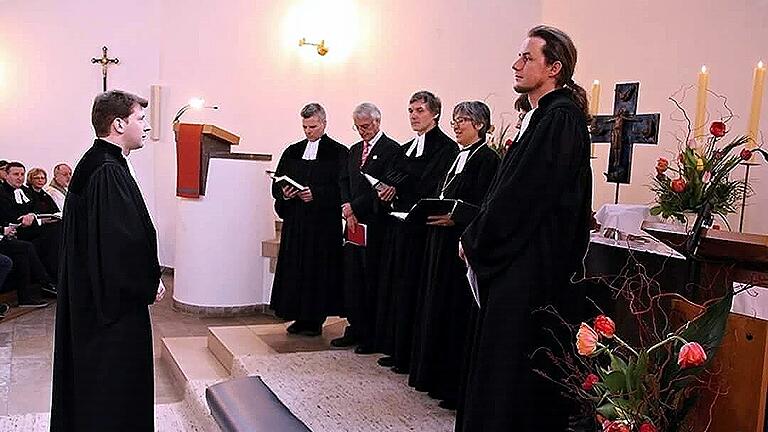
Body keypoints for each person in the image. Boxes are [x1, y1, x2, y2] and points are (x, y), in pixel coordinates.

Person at [456, 25, 593, 431]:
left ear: (554, 67)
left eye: (527, 58)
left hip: (530, 265)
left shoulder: (560, 118)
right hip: (519, 259)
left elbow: (525, 195)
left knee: (513, 363)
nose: (516, 64)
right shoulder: (541, 116)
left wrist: (477, 237)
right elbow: (507, 189)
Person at [50, 90, 164, 432]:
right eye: (139, 119)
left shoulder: (98, 163)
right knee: (112, 390)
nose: (145, 126)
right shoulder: (106, 170)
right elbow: (120, 245)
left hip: (94, 301)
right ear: (118, 124)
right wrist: (148, 282)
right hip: (110, 312)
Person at [408, 101, 500, 410]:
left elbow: (488, 207)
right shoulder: (457, 156)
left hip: (461, 246)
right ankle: (434, 378)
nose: (456, 125)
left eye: (462, 120)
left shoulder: (488, 159)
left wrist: (458, 217)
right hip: (439, 242)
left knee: (454, 315)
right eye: (455, 120)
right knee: (437, 310)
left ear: (480, 124)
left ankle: (453, 387)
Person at [374, 91, 457, 373]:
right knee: (396, 287)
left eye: (419, 110)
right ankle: (395, 348)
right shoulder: (406, 147)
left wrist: (400, 188)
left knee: (412, 289)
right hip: (398, 227)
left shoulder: (446, 149)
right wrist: (385, 188)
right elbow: (392, 175)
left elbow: (432, 186)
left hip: (421, 231)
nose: (413, 115)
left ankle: (410, 354)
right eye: (410, 110)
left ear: (434, 113)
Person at [270, 103, 349, 337]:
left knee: (318, 271)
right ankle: (298, 316)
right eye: (304, 127)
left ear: (324, 123)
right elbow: (278, 182)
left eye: (313, 126)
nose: (308, 131)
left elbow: (343, 187)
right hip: (296, 223)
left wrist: (316, 193)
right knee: (296, 269)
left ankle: (315, 319)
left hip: (322, 225)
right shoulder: (293, 151)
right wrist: (285, 192)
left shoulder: (338, 152)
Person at [332, 103, 402, 352]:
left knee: (370, 277)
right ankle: (355, 326)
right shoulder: (353, 150)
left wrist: (355, 209)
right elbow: (343, 180)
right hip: (351, 223)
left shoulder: (392, 150)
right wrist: (345, 205)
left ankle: (372, 333)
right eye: (358, 127)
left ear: (378, 122)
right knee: (352, 278)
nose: (362, 131)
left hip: (374, 223)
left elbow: (384, 186)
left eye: (366, 126)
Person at [0, 162, 61, 282]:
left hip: (30, 229)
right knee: (51, 236)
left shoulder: (26, 191)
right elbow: (11, 217)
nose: (20, 177)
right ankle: (46, 281)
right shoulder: (2, 193)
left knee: (58, 229)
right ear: (6, 176)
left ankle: (58, 275)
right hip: (15, 232)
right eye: (16, 174)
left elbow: (37, 208)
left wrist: (32, 215)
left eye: (22, 174)